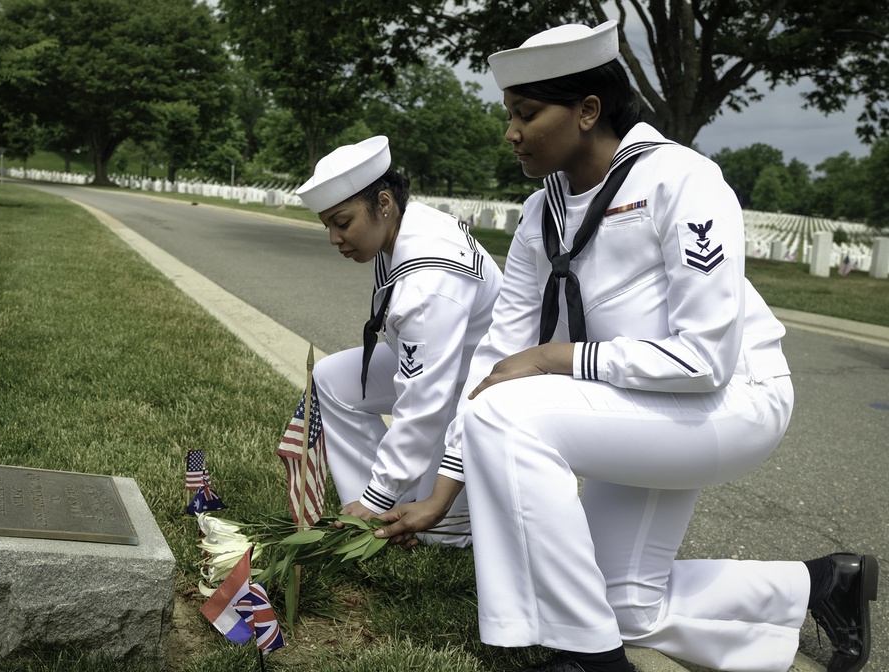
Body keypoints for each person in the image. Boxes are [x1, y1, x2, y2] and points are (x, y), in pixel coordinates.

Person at [374, 21, 878, 672]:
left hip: (731, 400)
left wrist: (561, 358)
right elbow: (499, 355)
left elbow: (704, 360)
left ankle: (588, 658)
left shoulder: (681, 181)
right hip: (637, 400)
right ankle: (819, 586)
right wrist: (444, 488)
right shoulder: (540, 214)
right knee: (625, 603)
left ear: (588, 111)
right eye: (510, 114)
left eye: (526, 114)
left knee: (511, 416)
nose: (511, 132)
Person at [294, 136, 502, 546]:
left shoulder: (427, 285)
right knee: (332, 379)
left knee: (441, 537)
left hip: (477, 395)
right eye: (329, 226)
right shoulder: (406, 223)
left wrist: (384, 492)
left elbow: (424, 401)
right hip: (449, 370)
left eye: (343, 222)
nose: (335, 238)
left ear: (384, 203)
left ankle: (389, 512)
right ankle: (374, 512)